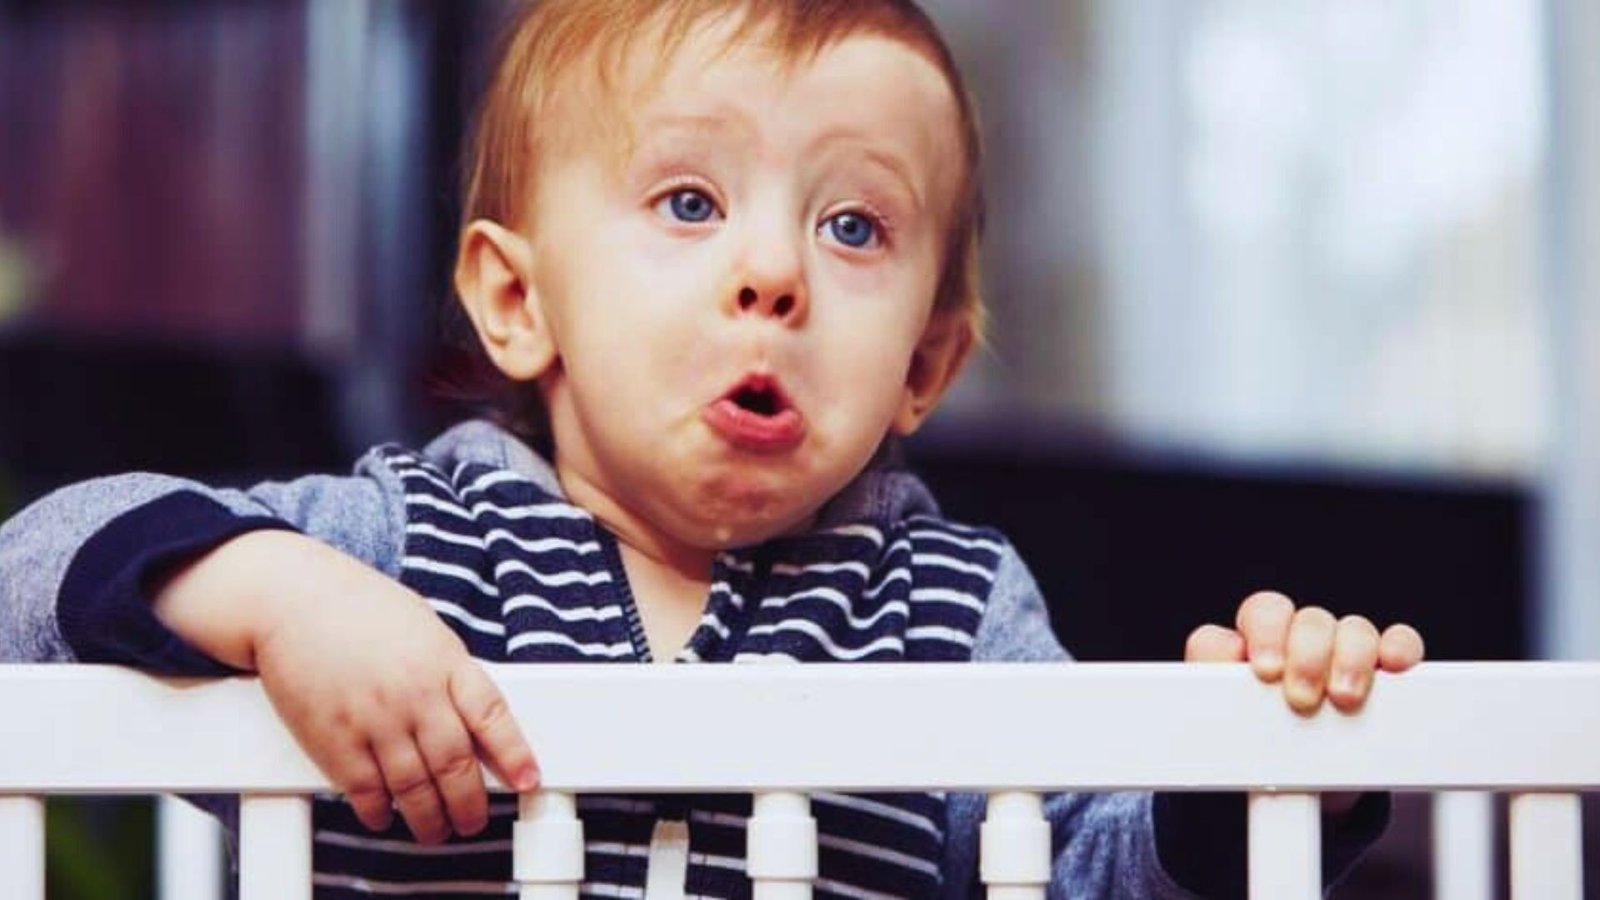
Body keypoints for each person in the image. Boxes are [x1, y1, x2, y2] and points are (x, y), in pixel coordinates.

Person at [0, 1, 1425, 897]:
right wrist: (277, 599)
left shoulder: (950, 609)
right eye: (688, 201)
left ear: (925, 360)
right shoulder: (396, 549)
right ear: (517, 298)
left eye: (853, 226)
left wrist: (1253, 773)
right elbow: (30, 579)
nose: (773, 275)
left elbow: (1070, 870)